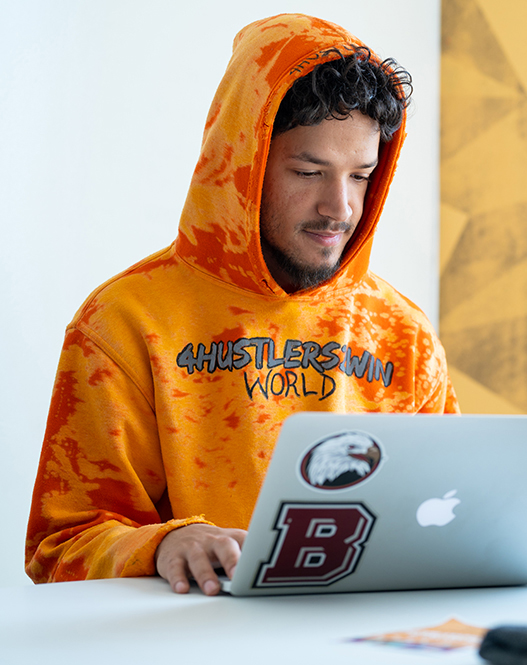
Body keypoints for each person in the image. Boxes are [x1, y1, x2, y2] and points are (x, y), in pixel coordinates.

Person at [25, 13, 459, 596]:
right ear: (241, 166)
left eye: (361, 176)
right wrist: (163, 545)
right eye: (309, 172)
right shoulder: (126, 321)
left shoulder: (401, 333)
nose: (341, 207)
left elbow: (454, 518)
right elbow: (60, 548)